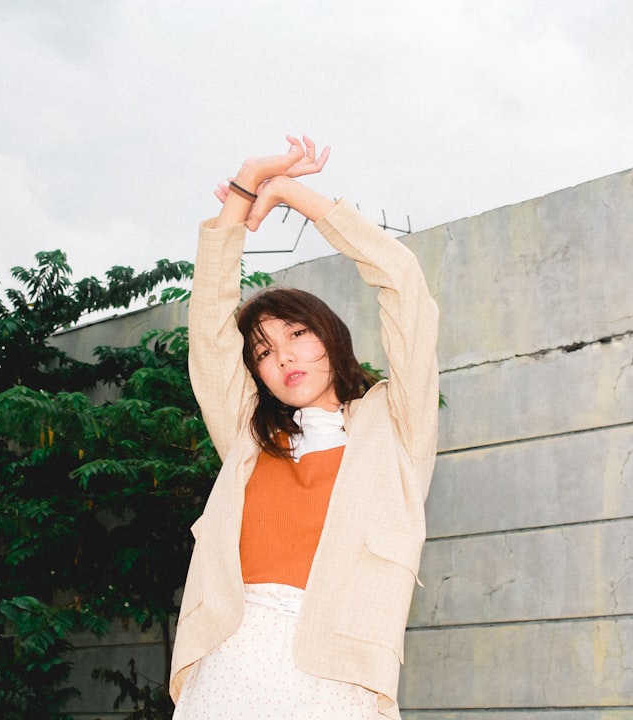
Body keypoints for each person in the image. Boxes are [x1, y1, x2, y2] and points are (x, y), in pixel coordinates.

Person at [169, 136, 439, 720]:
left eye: (296, 334)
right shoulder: (249, 438)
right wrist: (245, 186)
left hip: (338, 676)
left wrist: (297, 195)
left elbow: (404, 285)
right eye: (263, 351)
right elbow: (210, 332)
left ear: (331, 337)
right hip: (230, 661)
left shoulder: (395, 430)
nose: (283, 357)